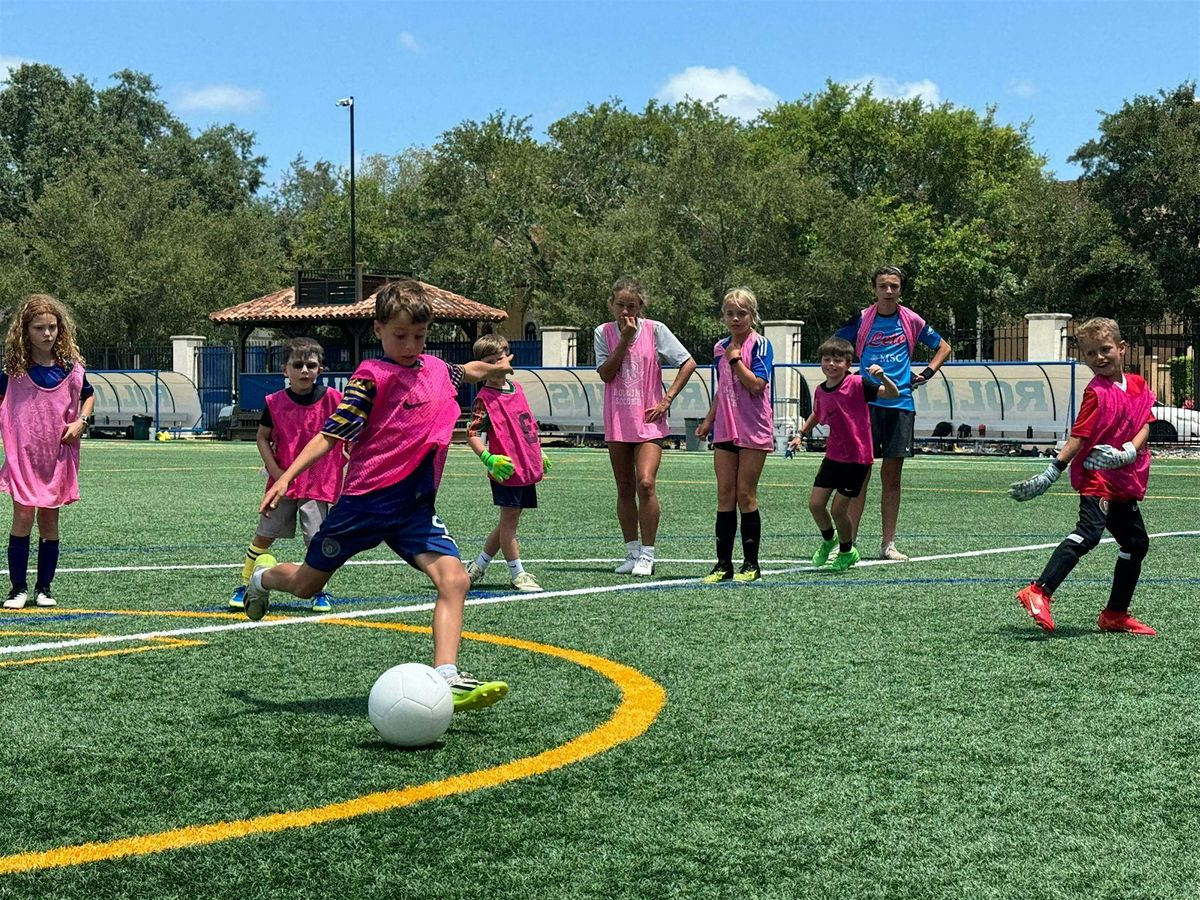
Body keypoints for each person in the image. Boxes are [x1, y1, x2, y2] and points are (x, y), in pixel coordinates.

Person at [243, 280, 514, 711]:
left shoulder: (437, 370)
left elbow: (469, 371)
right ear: (378, 330)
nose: (410, 345)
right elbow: (329, 436)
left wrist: (494, 369)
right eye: (400, 336)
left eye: (420, 336)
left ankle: (447, 677)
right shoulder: (370, 380)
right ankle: (262, 577)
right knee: (305, 585)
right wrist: (283, 478)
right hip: (364, 504)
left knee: (455, 579)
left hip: (413, 509)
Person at [1008, 317, 1157, 635]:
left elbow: (1146, 422)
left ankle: (1115, 614)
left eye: (1104, 350)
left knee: (1136, 543)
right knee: (1089, 533)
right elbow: (1078, 437)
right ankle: (1038, 591)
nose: (1099, 358)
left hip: (1123, 477)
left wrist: (1129, 450)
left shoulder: (1139, 386)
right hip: (1096, 475)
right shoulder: (1096, 392)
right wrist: (1051, 472)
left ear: (1122, 348)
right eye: (1091, 354)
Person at [834, 265, 951, 561]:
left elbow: (943, 347)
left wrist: (926, 372)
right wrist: (849, 375)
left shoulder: (910, 319)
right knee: (860, 474)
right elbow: (836, 346)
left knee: (892, 477)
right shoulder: (862, 319)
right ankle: (848, 544)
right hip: (866, 405)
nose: (888, 291)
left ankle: (888, 544)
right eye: (883, 286)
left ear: (901, 289)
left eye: (894, 286)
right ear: (874, 289)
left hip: (900, 405)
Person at [229, 338, 343, 613]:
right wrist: (276, 471)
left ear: (321, 369)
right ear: (285, 370)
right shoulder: (275, 402)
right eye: (298, 364)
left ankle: (319, 590)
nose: (305, 370)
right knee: (264, 536)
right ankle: (245, 584)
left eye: (311, 365)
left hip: (318, 481)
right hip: (282, 484)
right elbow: (262, 437)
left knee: (316, 539)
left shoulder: (334, 400)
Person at [595, 277, 697, 576]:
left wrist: (666, 400)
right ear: (611, 305)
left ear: (641, 307)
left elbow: (687, 362)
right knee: (624, 487)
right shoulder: (603, 333)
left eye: (633, 306)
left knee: (646, 483)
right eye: (621, 305)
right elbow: (605, 374)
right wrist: (625, 340)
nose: (626, 311)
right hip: (618, 419)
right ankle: (631, 552)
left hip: (649, 420)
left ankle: (648, 555)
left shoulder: (656, 330)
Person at [0, 294, 94, 610]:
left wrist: (81, 421)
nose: (47, 334)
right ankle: (17, 589)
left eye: (52, 327)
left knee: (50, 520)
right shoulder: (13, 370)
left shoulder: (70, 369)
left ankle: (44, 588)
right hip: (23, 458)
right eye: (39, 327)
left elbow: (88, 396)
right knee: (23, 516)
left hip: (56, 457)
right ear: (25, 331)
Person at [788, 338, 899, 572]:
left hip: (857, 458)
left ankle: (847, 551)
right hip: (833, 456)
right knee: (816, 505)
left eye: (838, 360)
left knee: (839, 510)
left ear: (848, 364)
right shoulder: (820, 390)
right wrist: (800, 434)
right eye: (827, 359)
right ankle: (829, 541)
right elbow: (817, 414)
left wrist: (882, 377)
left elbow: (892, 394)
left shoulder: (859, 384)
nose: (831, 364)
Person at [463, 333, 552, 593]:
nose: (498, 365)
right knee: (510, 523)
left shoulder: (519, 389)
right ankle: (518, 573)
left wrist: (539, 452)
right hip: (507, 470)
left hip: (525, 466)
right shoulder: (484, 398)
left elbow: (527, 425)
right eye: (490, 362)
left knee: (508, 521)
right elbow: (472, 433)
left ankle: (478, 566)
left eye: (500, 359)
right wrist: (488, 458)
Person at [696, 288, 774, 583]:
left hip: (753, 428)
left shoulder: (761, 345)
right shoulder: (721, 347)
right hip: (726, 429)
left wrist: (735, 360)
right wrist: (709, 420)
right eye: (730, 313)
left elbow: (756, 385)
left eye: (742, 313)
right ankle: (722, 564)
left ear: (753, 315)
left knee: (745, 494)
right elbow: (724, 389)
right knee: (725, 494)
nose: (736, 318)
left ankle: (751, 565)